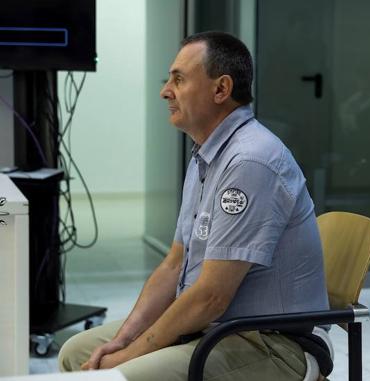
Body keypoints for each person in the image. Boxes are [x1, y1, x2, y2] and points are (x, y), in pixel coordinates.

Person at [58, 31, 330, 381]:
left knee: (116, 377)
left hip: (271, 344)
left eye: (179, 79)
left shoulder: (250, 161)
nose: (165, 91)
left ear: (221, 89)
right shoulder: (206, 154)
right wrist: (124, 341)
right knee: (74, 354)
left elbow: (212, 297)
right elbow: (174, 265)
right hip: (216, 328)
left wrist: (129, 356)